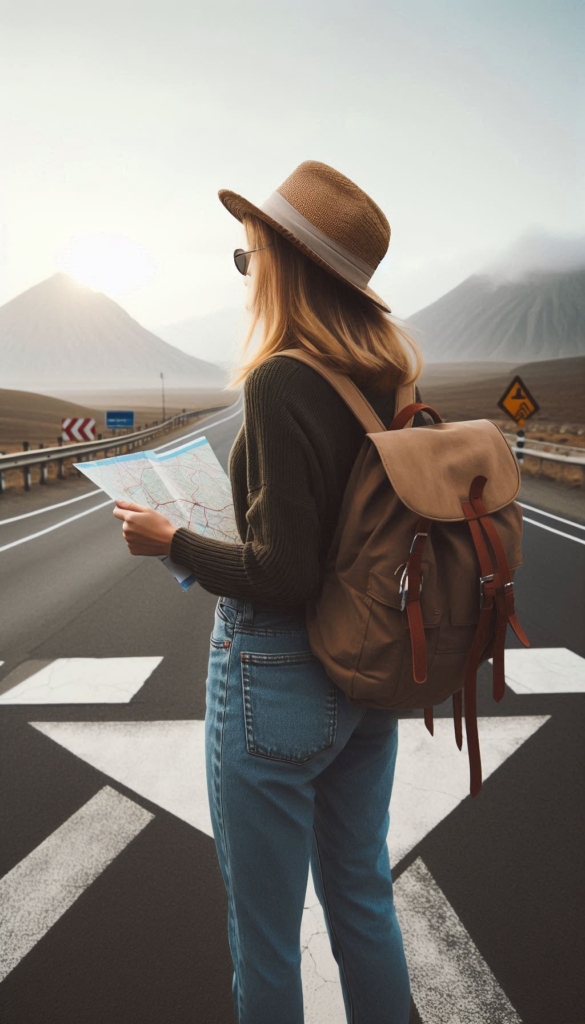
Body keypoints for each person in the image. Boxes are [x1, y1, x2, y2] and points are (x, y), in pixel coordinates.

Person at [113, 159, 427, 1024]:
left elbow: (283, 571)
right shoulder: (388, 376)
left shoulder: (281, 379)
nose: (247, 275)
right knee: (362, 899)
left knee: (264, 937)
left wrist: (170, 539)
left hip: (274, 674)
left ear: (287, 265)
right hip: (367, 666)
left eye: (249, 257)